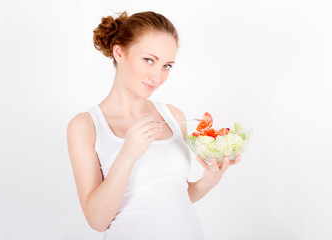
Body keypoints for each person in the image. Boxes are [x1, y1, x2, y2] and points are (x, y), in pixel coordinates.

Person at [67, 10, 241, 240]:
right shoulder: (86, 126)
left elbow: (174, 194)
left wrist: (209, 181)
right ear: (119, 52)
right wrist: (127, 154)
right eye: (149, 60)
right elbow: (97, 220)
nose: (157, 76)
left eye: (167, 66)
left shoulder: (173, 115)